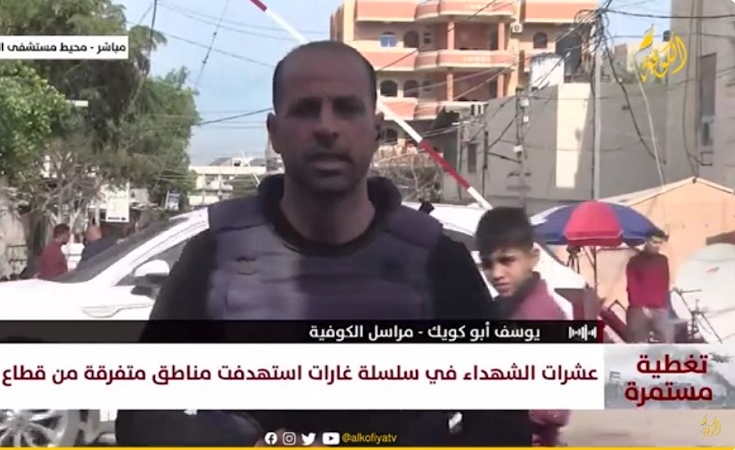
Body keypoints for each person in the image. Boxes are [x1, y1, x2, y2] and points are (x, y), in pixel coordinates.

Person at [116, 41, 531, 447]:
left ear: (376, 130)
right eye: (305, 109)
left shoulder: (438, 263)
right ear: (275, 133)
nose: (327, 127)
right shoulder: (212, 258)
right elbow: (141, 418)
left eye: (347, 108)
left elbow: (503, 425)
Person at [475, 207, 569, 446]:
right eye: (487, 263)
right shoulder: (502, 308)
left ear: (533, 258)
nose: (496, 273)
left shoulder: (541, 315)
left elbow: (554, 408)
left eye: (507, 260)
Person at [625, 229, 672, 343]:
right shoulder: (635, 261)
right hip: (639, 310)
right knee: (639, 344)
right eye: (654, 242)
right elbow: (632, 286)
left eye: (660, 243)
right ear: (646, 241)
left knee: (666, 343)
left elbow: (665, 283)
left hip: (660, 309)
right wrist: (641, 307)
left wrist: (664, 305)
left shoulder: (663, 261)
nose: (657, 246)